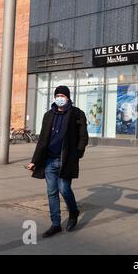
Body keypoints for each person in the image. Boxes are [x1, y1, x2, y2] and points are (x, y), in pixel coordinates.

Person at [27, 86, 89, 238]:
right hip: (49, 160)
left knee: (64, 189)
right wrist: (34, 161)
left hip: (66, 159)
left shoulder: (76, 113)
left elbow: (83, 136)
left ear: (68, 98)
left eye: (63, 95)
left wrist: (78, 153)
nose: (60, 98)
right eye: (58, 95)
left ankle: (73, 211)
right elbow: (42, 140)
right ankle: (55, 224)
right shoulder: (48, 115)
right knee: (51, 192)